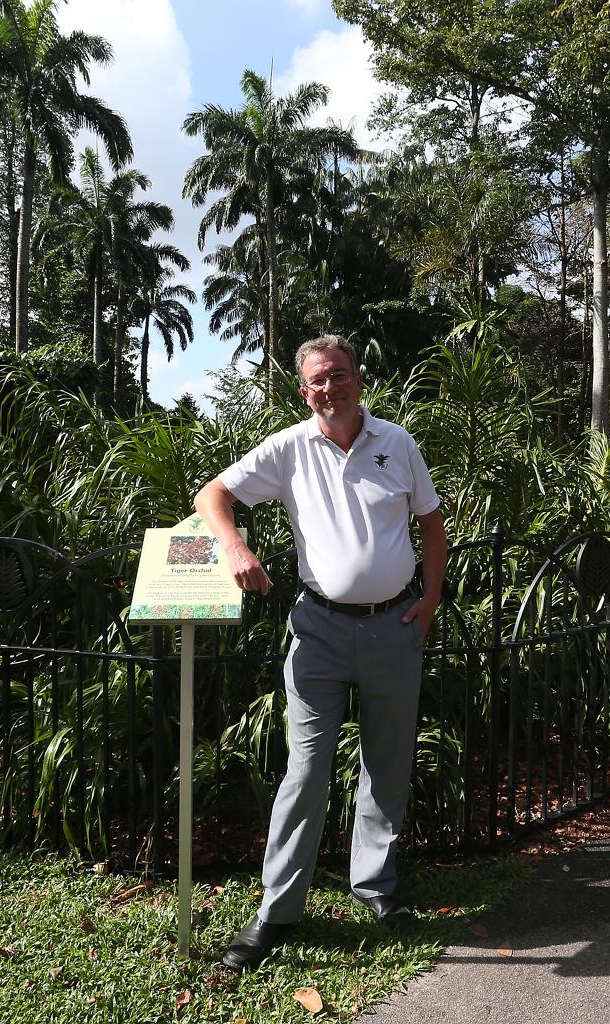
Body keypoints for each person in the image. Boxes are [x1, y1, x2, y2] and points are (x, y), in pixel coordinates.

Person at [194, 334, 447, 972]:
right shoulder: (289, 447)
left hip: (394, 626)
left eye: (337, 376)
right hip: (319, 633)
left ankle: (377, 889)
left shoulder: (398, 444)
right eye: (315, 381)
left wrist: (431, 601)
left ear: (358, 380)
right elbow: (211, 495)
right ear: (304, 391)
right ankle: (277, 913)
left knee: (386, 764)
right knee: (305, 770)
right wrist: (233, 546)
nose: (327, 389)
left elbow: (432, 525)